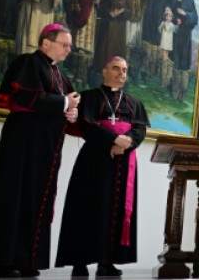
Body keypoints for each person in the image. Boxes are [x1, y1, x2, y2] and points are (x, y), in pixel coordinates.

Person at [0, 24, 81, 278]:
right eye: (64, 44)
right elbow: (22, 99)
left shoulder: (59, 75)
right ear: (45, 43)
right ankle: (0, 262)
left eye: (70, 45)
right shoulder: (28, 63)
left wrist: (72, 113)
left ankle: (27, 260)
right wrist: (64, 103)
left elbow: (66, 105)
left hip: (47, 149)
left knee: (36, 199)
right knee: (13, 196)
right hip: (23, 144)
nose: (68, 49)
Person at [56, 56, 149, 278]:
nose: (121, 73)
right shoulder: (88, 97)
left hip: (123, 163)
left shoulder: (134, 102)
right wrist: (114, 140)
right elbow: (86, 125)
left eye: (125, 70)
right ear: (104, 71)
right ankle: (80, 261)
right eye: (116, 68)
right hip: (94, 161)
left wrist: (125, 142)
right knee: (87, 209)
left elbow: (140, 130)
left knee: (116, 211)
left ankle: (107, 261)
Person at [171, 0, 198, 71]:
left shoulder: (190, 0)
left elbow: (194, 17)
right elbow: (170, 9)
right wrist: (174, 19)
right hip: (174, 27)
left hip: (184, 30)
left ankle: (181, 70)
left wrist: (185, 13)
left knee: (182, 50)